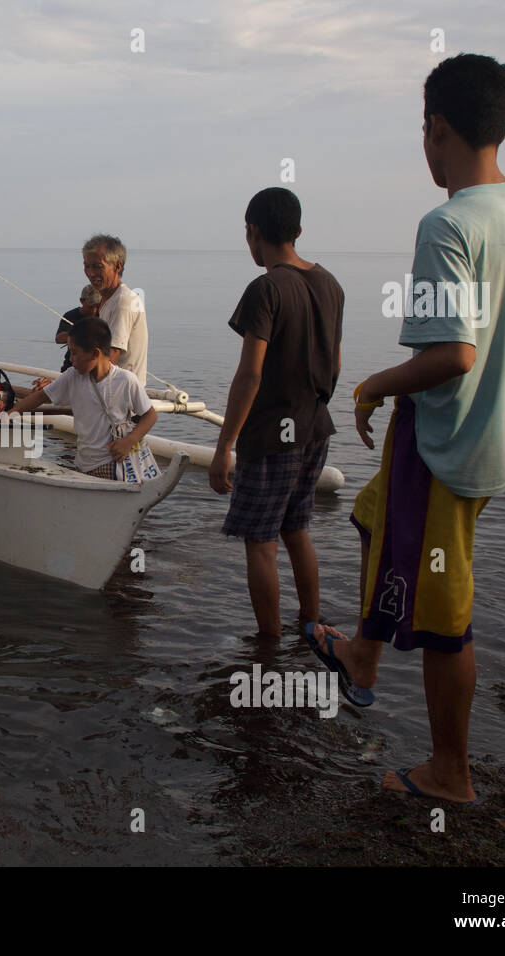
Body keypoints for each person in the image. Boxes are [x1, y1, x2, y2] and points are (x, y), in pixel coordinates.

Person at [310, 54, 505, 803]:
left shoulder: (448, 225)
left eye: (423, 132)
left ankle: (450, 773)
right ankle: (363, 652)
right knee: (371, 518)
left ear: (437, 130)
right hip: (493, 439)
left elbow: (452, 356)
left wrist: (370, 385)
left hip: (444, 449)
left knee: (443, 621)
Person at [207, 188, 346, 650]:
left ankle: (267, 644)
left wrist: (225, 446)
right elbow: (336, 364)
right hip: (315, 427)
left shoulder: (265, 289)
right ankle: (311, 625)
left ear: (253, 232)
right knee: (296, 527)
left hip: (270, 435)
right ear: (298, 231)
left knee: (260, 542)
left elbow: (250, 374)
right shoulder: (330, 284)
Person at [15, 317, 158, 480]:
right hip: (83, 463)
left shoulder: (125, 380)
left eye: (75, 353)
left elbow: (150, 415)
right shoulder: (72, 376)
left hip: (111, 462)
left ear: (95, 353)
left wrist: (129, 441)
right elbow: (41, 396)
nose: (71, 359)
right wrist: (12, 412)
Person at [81, 235, 148, 385]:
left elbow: (109, 359)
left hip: (120, 396)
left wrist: (66, 384)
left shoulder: (123, 302)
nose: (91, 273)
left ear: (117, 266)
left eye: (98, 266)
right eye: (87, 266)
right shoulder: (108, 300)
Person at [55, 285, 102, 374]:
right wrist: (79, 333)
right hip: (71, 365)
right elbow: (59, 339)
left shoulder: (103, 314)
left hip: (95, 366)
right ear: (82, 301)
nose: (94, 311)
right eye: (91, 307)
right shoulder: (71, 315)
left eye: (97, 307)